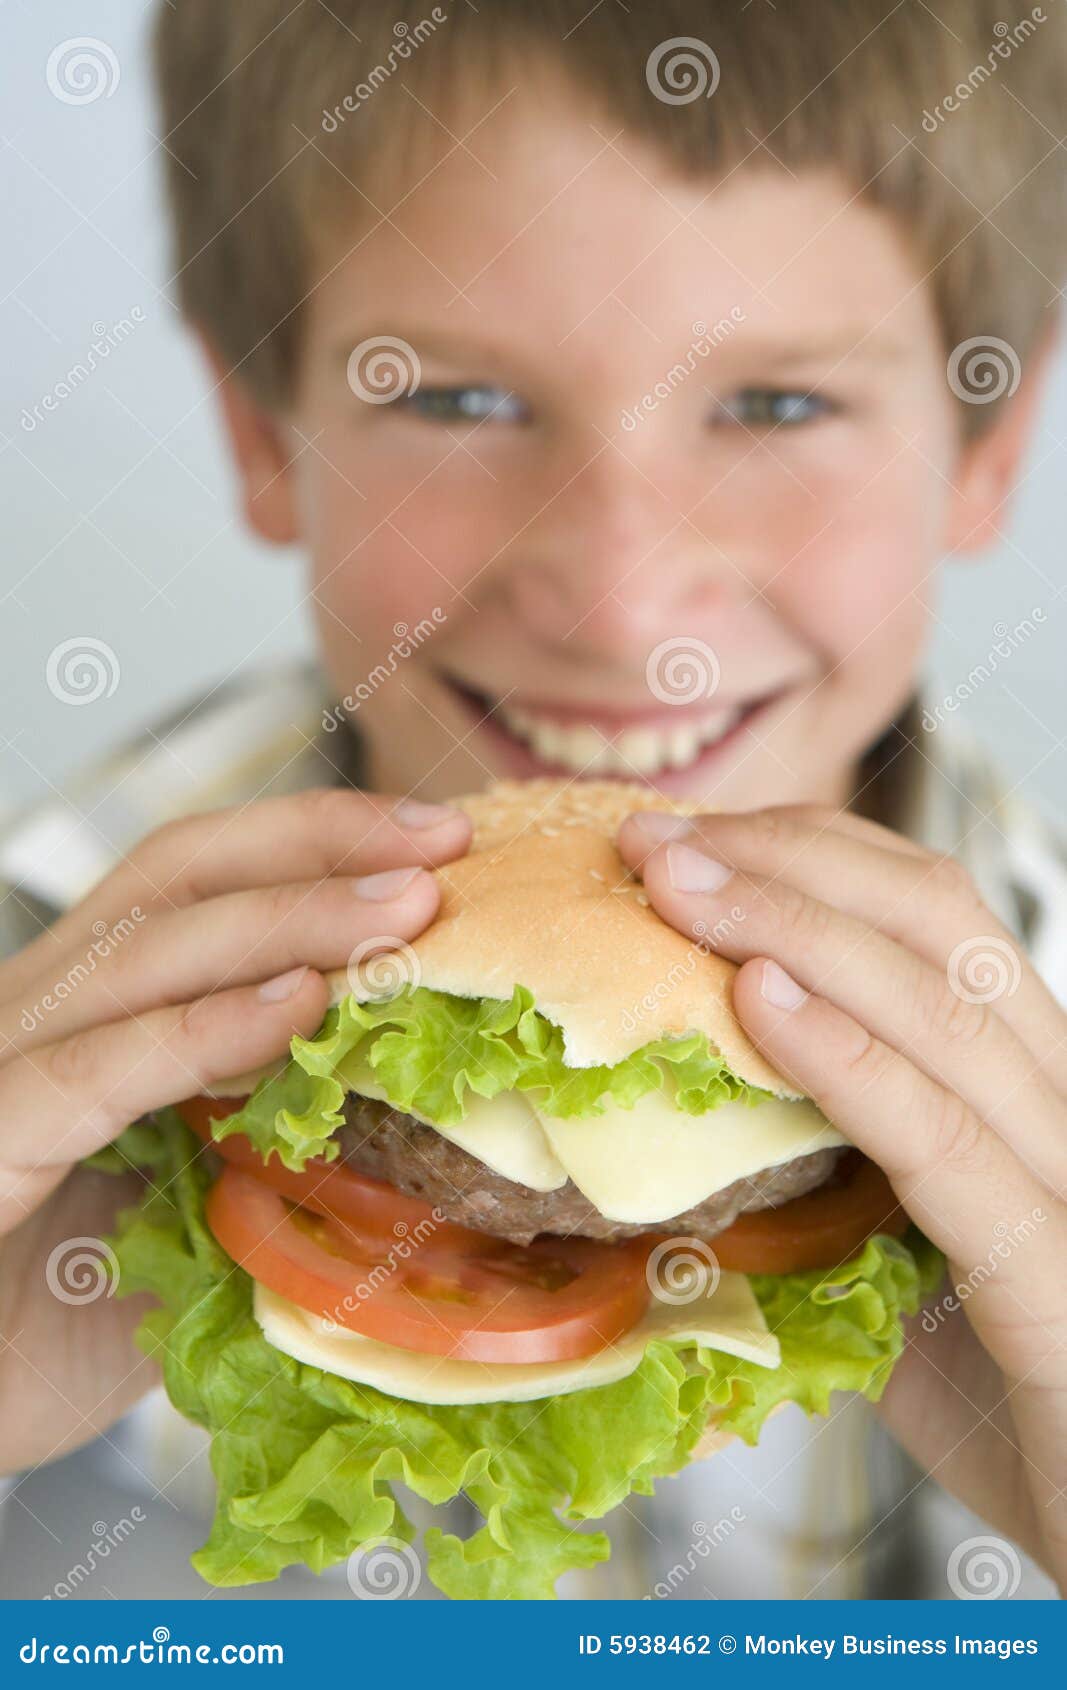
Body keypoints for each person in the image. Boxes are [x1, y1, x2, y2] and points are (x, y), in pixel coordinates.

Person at [1, 0, 1065, 1599]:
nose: (624, 604)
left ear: (986, 439)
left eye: (777, 408)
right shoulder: (36, 966)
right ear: (262, 429)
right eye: (457, 402)